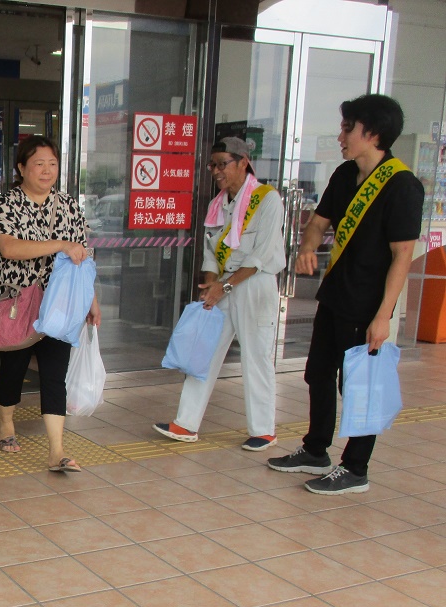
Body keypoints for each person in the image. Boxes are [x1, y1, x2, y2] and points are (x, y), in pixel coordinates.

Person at [268, 94, 424, 494]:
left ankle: (355, 468)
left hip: (367, 304)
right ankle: (315, 449)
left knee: (358, 385)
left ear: (372, 133)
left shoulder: (402, 186)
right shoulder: (344, 174)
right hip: (335, 295)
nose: (340, 136)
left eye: (347, 128)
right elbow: (318, 223)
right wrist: (307, 247)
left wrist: (383, 316)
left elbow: (402, 255)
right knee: (318, 373)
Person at [154, 137, 286, 451]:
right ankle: (186, 423)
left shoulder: (268, 200)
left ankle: (263, 430)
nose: (216, 171)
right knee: (205, 352)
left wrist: (223, 286)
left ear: (243, 162)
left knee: (256, 357)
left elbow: (261, 255)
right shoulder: (218, 205)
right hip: (223, 286)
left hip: (255, 286)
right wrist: (211, 285)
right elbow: (211, 254)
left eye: (222, 164)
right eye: (212, 165)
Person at [0, 134, 101, 473]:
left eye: (52, 164)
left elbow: (82, 258)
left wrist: (92, 301)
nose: (47, 170)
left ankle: (57, 450)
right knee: (13, 369)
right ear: (22, 167)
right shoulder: (7, 204)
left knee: (55, 375)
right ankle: (6, 422)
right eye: (39, 164)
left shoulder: (68, 206)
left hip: (61, 304)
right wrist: (60, 244)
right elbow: (9, 248)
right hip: (18, 301)